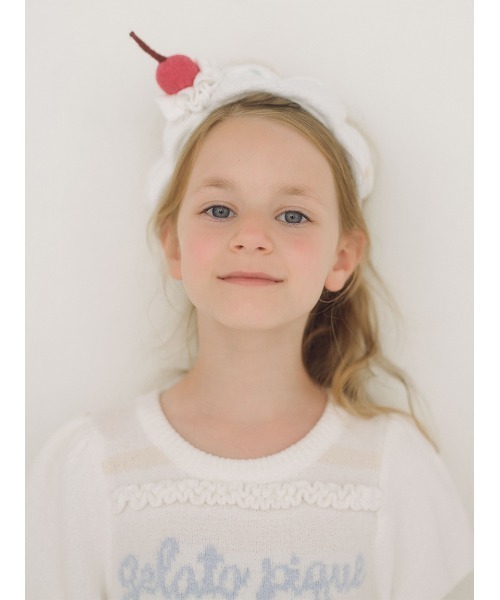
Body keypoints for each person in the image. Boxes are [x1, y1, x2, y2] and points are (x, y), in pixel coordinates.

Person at [26, 34, 473, 600]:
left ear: (341, 258)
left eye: (293, 215)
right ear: (174, 246)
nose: (252, 236)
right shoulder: (89, 468)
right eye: (220, 209)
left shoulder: (393, 470)